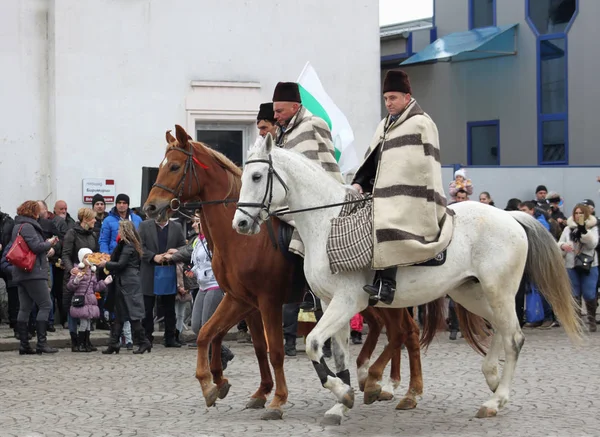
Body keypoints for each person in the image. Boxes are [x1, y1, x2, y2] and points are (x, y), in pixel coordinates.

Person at [351, 70, 452, 305]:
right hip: (382, 194)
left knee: (388, 223)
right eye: (386, 99)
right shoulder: (383, 126)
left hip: (412, 197)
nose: (388, 103)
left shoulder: (421, 123)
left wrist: (400, 190)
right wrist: (358, 183)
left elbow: (426, 166)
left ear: (407, 97)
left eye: (393, 98)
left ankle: (387, 284)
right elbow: (372, 160)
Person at [272, 81, 344, 257]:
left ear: (295, 107)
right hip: (288, 201)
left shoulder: (314, 124)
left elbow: (328, 163)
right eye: (275, 111)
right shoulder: (280, 133)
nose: (275, 115)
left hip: (313, 203)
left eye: (279, 111)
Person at [10, 201, 59, 354]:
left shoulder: (17, 226)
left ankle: (24, 345)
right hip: (33, 272)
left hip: (21, 272)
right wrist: (49, 243)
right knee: (45, 304)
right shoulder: (29, 226)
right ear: (33, 212)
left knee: (24, 307)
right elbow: (37, 247)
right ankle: (41, 344)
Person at [99, 220, 152, 354]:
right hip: (125, 281)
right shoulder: (128, 245)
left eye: (119, 230)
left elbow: (121, 264)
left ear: (124, 231)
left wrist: (106, 264)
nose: (118, 232)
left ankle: (144, 342)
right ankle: (114, 343)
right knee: (119, 314)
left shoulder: (128, 246)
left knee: (133, 313)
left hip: (128, 282)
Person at [138, 216, 186, 347]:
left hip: (168, 270)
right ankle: (147, 337)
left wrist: (174, 253)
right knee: (147, 307)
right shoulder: (144, 226)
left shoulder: (176, 227)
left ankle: (170, 338)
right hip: (149, 271)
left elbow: (183, 247)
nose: (159, 216)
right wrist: (154, 257)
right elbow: (139, 247)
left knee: (169, 307)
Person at [61, 207, 98, 351]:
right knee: (74, 308)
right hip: (75, 276)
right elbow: (65, 254)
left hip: (88, 276)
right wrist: (72, 269)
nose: (95, 220)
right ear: (85, 219)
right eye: (93, 218)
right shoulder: (72, 233)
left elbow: (94, 254)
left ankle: (86, 341)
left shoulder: (92, 235)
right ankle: (75, 341)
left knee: (86, 308)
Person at [559, 204, 598, 332]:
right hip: (571, 264)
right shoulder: (568, 229)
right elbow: (559, 243)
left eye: (581, 213)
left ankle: (591, 319)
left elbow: (592, 244)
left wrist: (583, 231)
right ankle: (576, 321)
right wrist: (563, 245)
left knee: (589, 293)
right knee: (574, 294)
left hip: (589, 265)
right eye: (576, 213)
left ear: (586, 214)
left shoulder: (592, 227)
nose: (578, 215)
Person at [67, 248, 109, 352]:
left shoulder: (92, 271)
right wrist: (76, 280)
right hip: (81, 300)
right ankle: (81, 343)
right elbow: (70, 286)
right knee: (84, 322)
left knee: (88, 323)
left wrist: (105, 283)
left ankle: (87, 342)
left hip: (90, 300)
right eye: (86, 257)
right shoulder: (77, 270)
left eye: (90, 256)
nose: (88, 259)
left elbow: (95, 287)